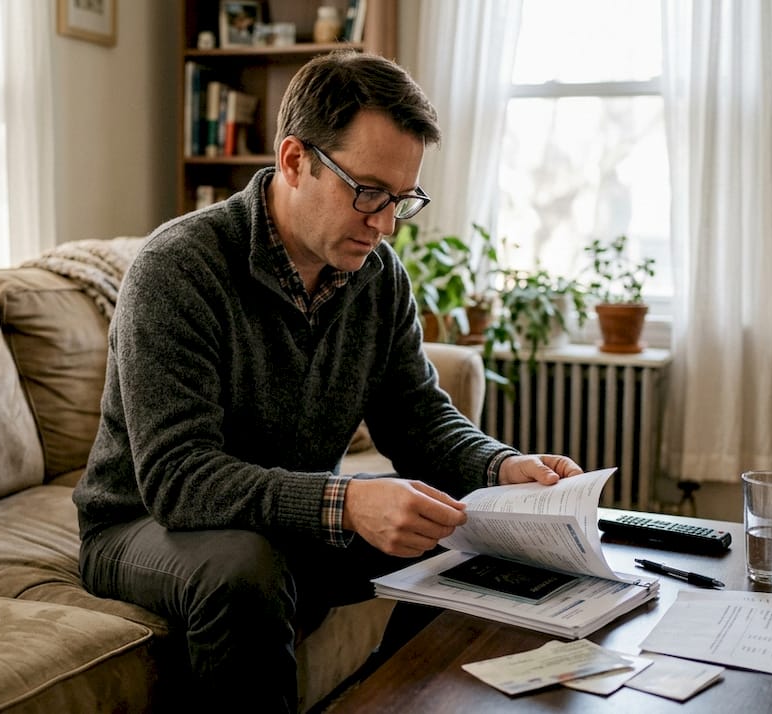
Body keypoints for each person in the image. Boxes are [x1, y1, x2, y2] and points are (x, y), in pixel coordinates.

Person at [72, 50, 583, 712]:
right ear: (293, 161)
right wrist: (344, 502)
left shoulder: (378, 276)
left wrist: (501, 468)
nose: (386, 223)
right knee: (244, 570)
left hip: (285, 520)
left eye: (402, 199)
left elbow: (419, 417)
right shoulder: (178, 270)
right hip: (140, 525)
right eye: (368, 191)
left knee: (464, 537)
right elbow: (178, 478)